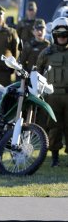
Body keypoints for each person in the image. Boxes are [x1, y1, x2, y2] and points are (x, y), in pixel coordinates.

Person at [36, 16, 68, 167]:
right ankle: (55, 158)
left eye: (65, 34)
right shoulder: (46, 53)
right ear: (54, 35)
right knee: (54, 127)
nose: (62, 37)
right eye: (59, 34)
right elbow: (38, 73)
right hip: (52, 96)